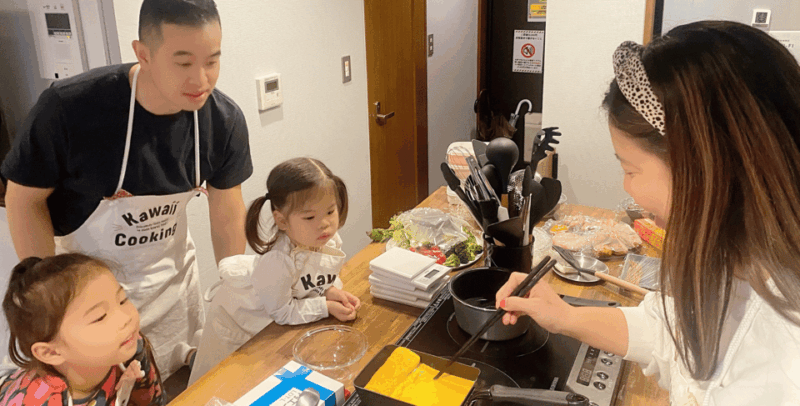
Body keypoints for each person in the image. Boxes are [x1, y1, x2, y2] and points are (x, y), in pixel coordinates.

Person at [496, 20, 800, 405]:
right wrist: (566, 317)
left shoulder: (787, 357)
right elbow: (671, 333)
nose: (627, 188)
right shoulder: (732, 261)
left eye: (630, 169)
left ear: (705, 167)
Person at [1, 0, 252, 377]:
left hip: (172, 295)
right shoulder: (70, 109)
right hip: (86, 309)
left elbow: (228, 213)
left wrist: (235, 293)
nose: (201, 80)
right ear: (143, 54)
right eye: (183, 63)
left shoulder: (223, 120)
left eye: (212, 61)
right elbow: (24, 200)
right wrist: (51, 305)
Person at [188, 157, 360, 384]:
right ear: (282, 221)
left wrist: (329, 291)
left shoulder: (325, 239)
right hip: (240, 323)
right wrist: (325, 307)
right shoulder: (278, 262)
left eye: (330, 211)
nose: (324, 224)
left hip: (276, 323)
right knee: (221, 382)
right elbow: (282, 311)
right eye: (310, 217)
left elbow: (309, 281)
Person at [0, 254, 164, 406]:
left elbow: (152, 401)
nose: (125, 318)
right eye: (100, 317)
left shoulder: (130, 346)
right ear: (51, 353)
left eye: (122, 300)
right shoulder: (38, 401)